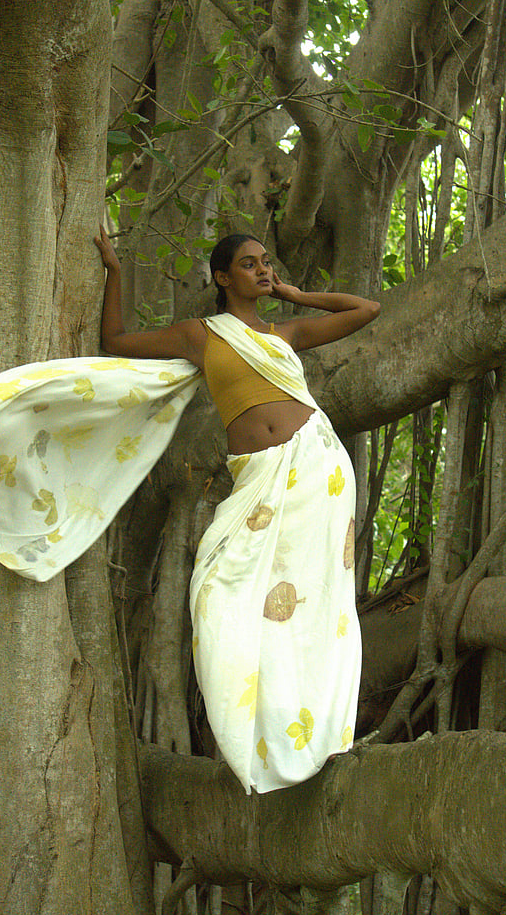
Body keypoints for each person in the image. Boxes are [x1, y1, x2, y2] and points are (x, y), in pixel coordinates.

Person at [95, 226, 380, 794]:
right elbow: (116, 342)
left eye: (265, 262)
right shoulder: (199, 336)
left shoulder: (283, 332)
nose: (261, 270)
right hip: (256, 481)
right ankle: (261, 734)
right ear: (223, 278)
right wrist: (116, 273)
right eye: (249, 264)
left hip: (317, 470)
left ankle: (318, 735)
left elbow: (366, 308)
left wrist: (295, 295)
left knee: (314, 601)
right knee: (215, 589)